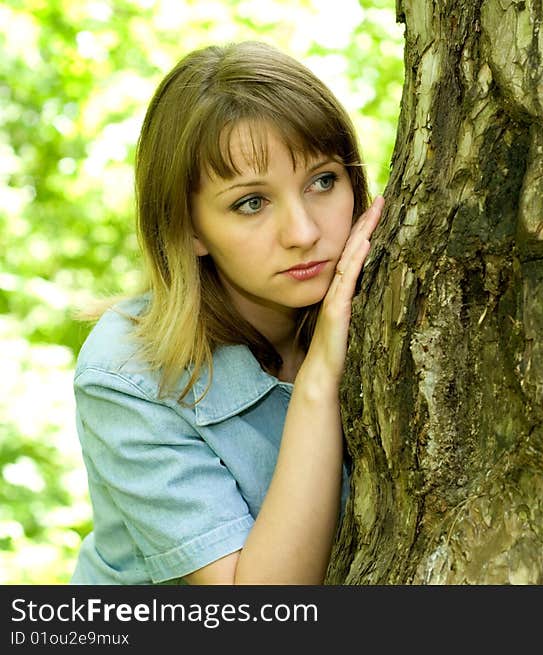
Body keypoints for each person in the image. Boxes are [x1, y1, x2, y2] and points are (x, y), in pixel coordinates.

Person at [69, 40, 384, 584]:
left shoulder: (395, 307)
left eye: (323, 181)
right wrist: (318, 382)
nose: (304, 233)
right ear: (189, 228)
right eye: (251, 203)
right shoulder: (128, 373)